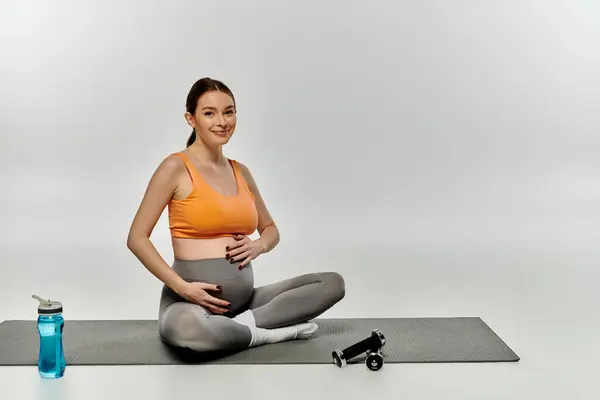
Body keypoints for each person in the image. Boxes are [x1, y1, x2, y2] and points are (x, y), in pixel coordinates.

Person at [126, 77, 346, 353]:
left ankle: (241, 327)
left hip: (245, 302)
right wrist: (183, 288)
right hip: (190, 305)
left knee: (331, 284)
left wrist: (258, 245)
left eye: (229, 111)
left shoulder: (241, 171)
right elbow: (137, 238)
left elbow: (271, 230)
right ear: (191, 119)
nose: (222, 121)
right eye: (209, 113)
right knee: (193, 331)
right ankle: (273, 334)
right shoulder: (175, 167)